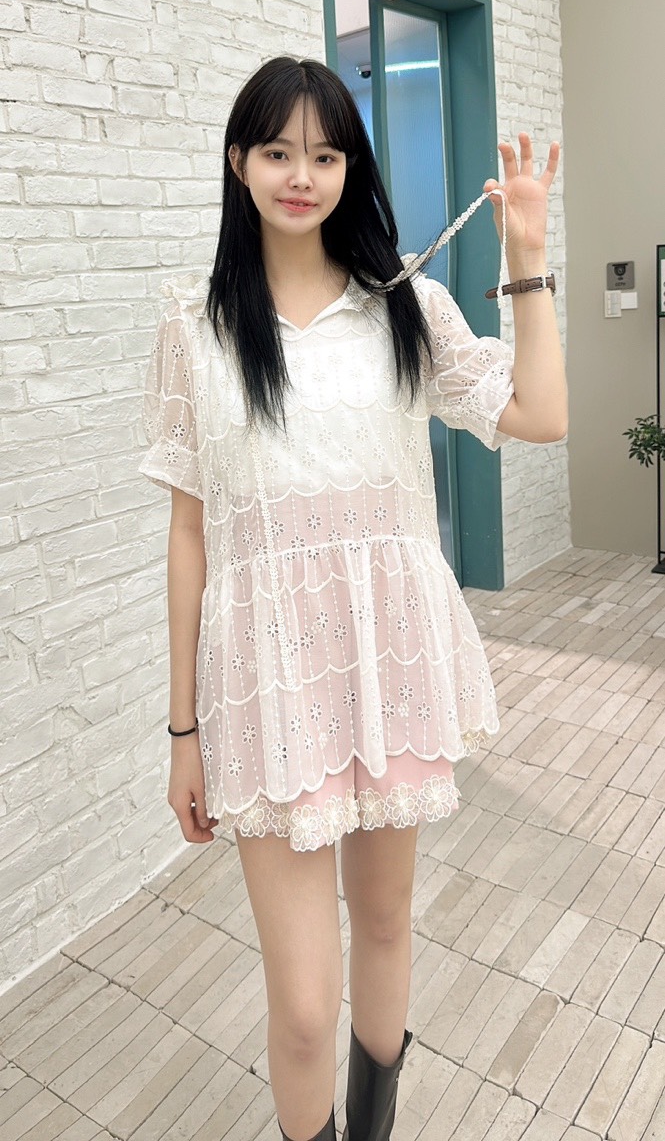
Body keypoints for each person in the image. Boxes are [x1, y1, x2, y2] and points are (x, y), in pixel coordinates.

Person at [138, 55, 567, 1141]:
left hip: (391, 668)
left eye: (325, 154)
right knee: (300, 1006)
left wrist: (526, 261)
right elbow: (189, 538)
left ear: (349, 170)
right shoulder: (193, 329)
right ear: (237, 162)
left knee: (382, 927)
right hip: (263, 687)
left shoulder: (404, 308)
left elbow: (540, 415)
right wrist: (183, 732)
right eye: (278, 151)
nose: (302, 175)